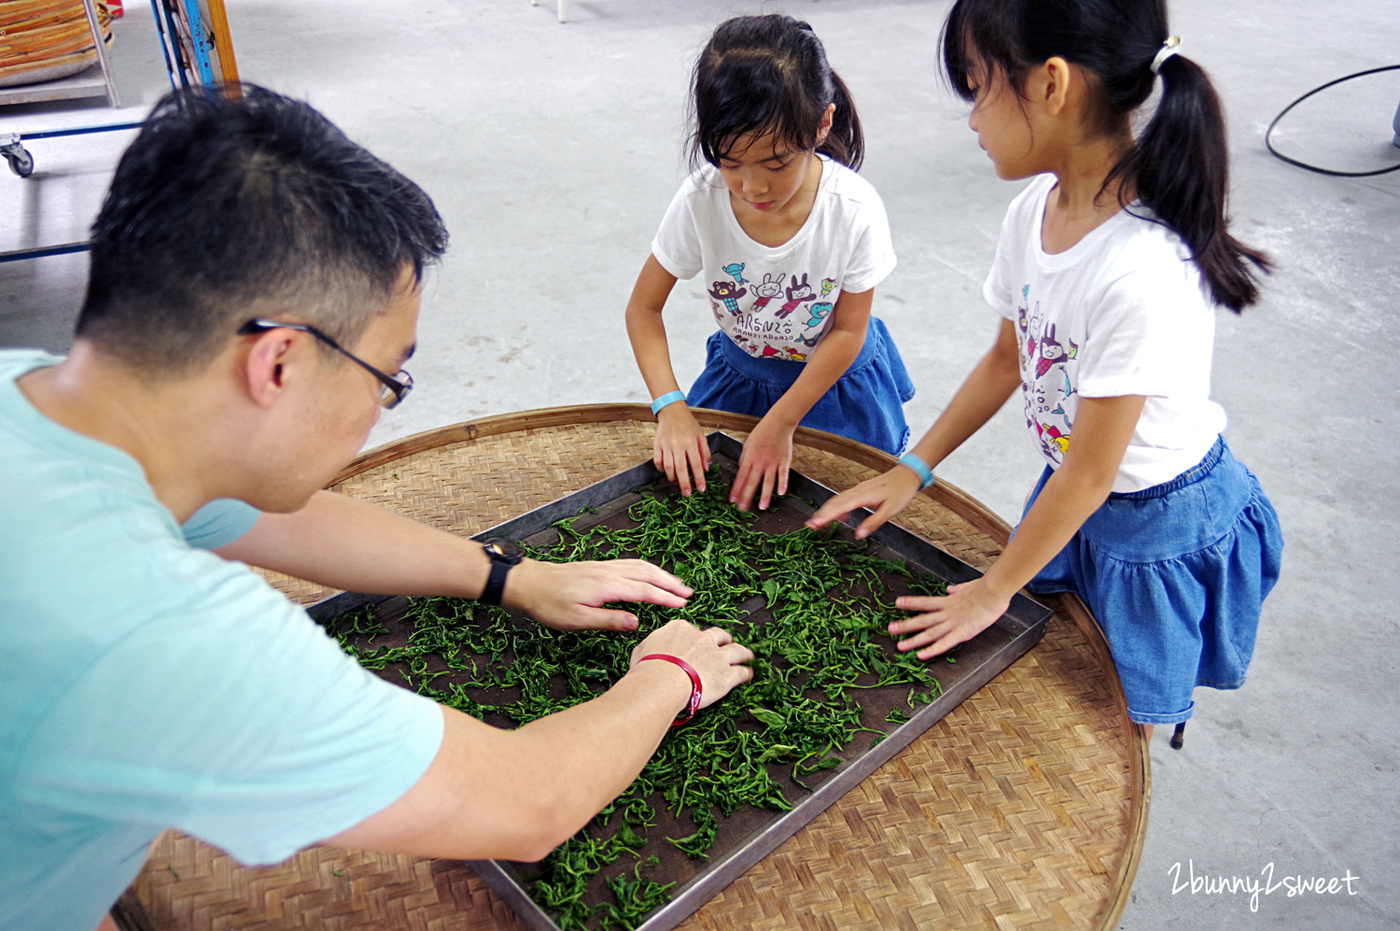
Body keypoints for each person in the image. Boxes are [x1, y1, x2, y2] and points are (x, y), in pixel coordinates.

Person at [0, 85, 753, 931]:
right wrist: (667, 678)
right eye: (387, 378)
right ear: (278, 363)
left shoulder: (38, 395)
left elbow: (278, 519)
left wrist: (511, 576)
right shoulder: (156, 633)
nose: (377, 414)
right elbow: (529, 802)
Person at [808, 0, 1283, 742]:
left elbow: (1094, 477)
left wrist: (991, 589)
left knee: (1117, 713)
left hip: (1153, 518)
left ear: (1051, 85)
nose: (970, 119)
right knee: (1064, 665)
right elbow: (1008, 358)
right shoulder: (1035, 209)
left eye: (976, 86)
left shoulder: (1139, 270)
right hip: (1072, 483)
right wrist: (913, 469)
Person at [625, 13, 915, 512]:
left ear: (822, 124)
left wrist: (781, 423)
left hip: (834, 386)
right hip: (740, 376)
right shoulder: (701, 200)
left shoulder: (852, 210)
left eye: (776, 163)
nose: (752, 187)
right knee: (720, 508)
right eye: (730, 162)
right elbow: (642, 310)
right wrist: (669, 406)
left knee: (833, 519)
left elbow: (847, 332)